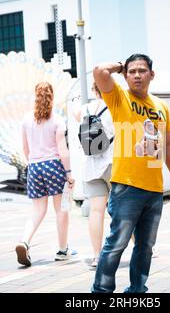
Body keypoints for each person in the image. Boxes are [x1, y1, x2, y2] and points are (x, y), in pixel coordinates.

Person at [91, 54, 170, 293]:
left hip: (154, 188)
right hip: (127, 186)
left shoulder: (161, 107)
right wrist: (121, 66)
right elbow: (100, 71)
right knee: (117, 243)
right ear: (126, 75)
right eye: (132, 71)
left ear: (152, 75)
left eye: (142, 71)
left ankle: (137, 291)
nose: (137, 75)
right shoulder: (120, 97)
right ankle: (100, 292)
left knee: (146, 247)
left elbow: (169, 144)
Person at [15, 82, 76, 267]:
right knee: (61, 209)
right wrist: (69, 173)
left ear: (35, 95)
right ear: (52, 96)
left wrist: (33, 163)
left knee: (38, 210)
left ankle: (24, 241)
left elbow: (25, 149)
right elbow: (62, 149)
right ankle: (62, 249)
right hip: (54, 166)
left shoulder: (26, 119)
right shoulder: (57, 119)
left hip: (34, 166)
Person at [72, 83, 114, 268]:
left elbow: (75, 112)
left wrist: (75, 100)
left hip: (90, 166)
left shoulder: (84, 109)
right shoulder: (115, 107)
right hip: (112, 163)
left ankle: (97, 256)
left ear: (93, 90)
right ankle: (142, 248)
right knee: (124, 209)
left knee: (96, 212)